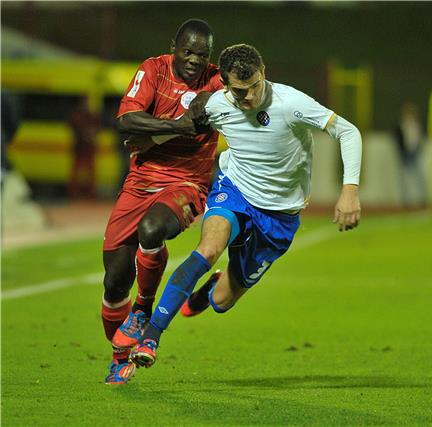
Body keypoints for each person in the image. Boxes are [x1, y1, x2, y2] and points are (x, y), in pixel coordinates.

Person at [125, 43, 362, 370]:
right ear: (224, 84)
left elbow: (347, 132)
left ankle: (209, 289)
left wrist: (349, 190)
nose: (249, 97)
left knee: (222, 302)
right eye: (240, 91)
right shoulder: (216, 104)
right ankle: (151, 337)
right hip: (234, 189)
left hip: (278, 217)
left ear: (264, 74)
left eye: (254, 87)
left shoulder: (291, 103)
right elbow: (185, 127)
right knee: (207, 250)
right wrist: (151, 142)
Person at [101, 18, 223, 385]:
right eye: (187, 51)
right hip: (139, 182)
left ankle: (143, 309)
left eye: (201, 55)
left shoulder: (217, 82)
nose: (193, 60)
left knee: (152, 230)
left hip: (188, 182)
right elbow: (126, 121)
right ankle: (120, 358)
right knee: (113, 283)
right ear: (174, 46)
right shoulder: (152, 70)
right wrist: (180, 127)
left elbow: (243, 98)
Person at [394, 102, 427, 207]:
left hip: (415, 153)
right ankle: (406, 200)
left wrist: (417, 150)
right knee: (404, 178)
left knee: (419, 177)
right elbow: (398, 141)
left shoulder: (417, 125)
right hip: (405, 154)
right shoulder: (400, 125)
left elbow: (419, 139)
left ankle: (422, 198)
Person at [68, 97, 101, 199]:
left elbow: (98, 127)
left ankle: (91, 193)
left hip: (88, 148)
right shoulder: (79, 116)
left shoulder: (90, 115)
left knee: (91, 172)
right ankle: (74, 193)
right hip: (80, 148)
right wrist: (86, 134)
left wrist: (92, 134)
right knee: (76, 172)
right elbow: (74, 127)